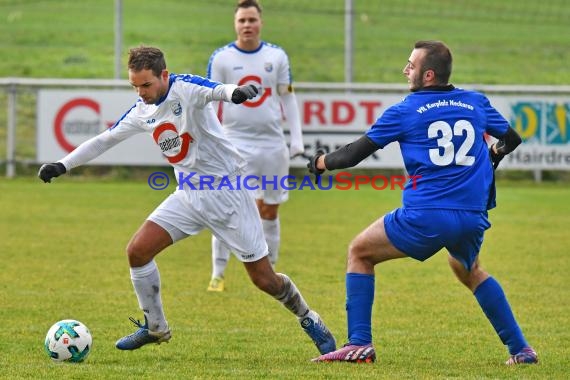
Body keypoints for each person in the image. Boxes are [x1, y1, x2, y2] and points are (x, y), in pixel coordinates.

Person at [38, 46, 335, 355]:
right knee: (137, 252)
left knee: (264, 279)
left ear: (163, 75)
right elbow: (104, 140)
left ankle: (308, 317)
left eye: (146, 85)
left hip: (228, 196)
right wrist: (63, 165)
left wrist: (238, 92)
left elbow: (217, 90)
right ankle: (156, 328)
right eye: (135, 86)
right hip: (189, 196)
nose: (141, 93)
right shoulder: (142, 109)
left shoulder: (186, 88)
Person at [307, 40, 538, 365]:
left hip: (426, 215)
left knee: (359, 252)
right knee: (468, 269)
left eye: (410, 66)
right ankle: (521, 349)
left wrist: (319, 163)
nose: (405, 70)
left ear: (428, 75)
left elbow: (353, 154)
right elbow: (511, 139)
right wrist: (493, 156)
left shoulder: (406, 110)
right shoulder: (475, 102)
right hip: (472, 216)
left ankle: (359, 343)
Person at [204, 0, 304, 292]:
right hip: (235, 143)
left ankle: (270, 272)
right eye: (242, 20)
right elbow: (209, 102)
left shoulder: (277, 56)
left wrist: (295, 138)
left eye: (252, 20)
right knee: (226, 208)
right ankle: (218, 274)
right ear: (235, 24)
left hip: (273, 146)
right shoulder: (221, 58)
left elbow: (288, 98)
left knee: (270, 210)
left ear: (261, 23)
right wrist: (212, 140)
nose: (247, 25)